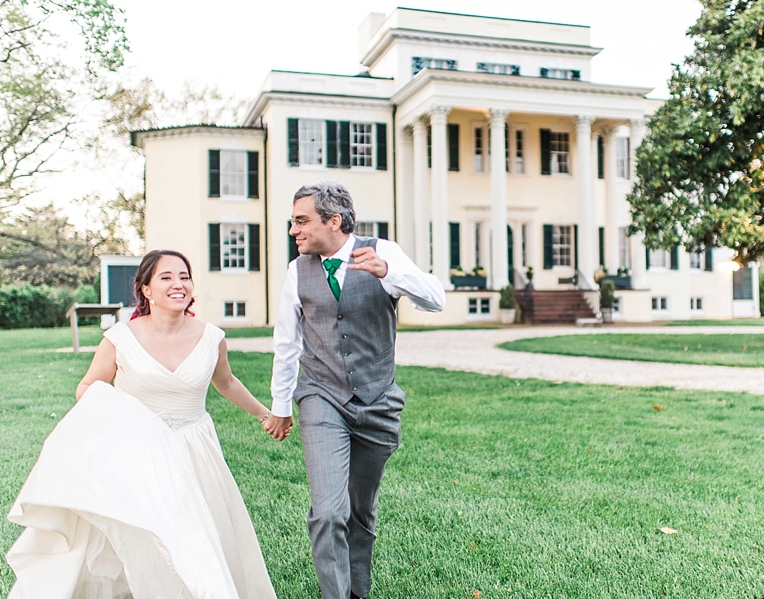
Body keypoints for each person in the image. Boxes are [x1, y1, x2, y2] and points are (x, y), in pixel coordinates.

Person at [5, 249, 277, 599]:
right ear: (146, 290)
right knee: (138, 538)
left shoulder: (212, 337)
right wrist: (123, 418)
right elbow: (87, 387)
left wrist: (266, 415)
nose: (178, 284)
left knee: (196, 541)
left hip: (194, 452)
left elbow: (226, 382)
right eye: (166, 277)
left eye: (184, 276)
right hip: (137, 452)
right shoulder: (120, 337)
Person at [264, 182, 445, 599]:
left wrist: (389, 273)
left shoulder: (383, 251)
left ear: (334, 220)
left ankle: (357, 592)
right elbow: (288, 342)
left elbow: (436, 300)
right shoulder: (297, 271)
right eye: (293, 221)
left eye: (301, 220)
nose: (294, 230)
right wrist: (281, 404)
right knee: (329, 512)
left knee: (360, 511)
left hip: (378, 402)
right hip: (321, 396)